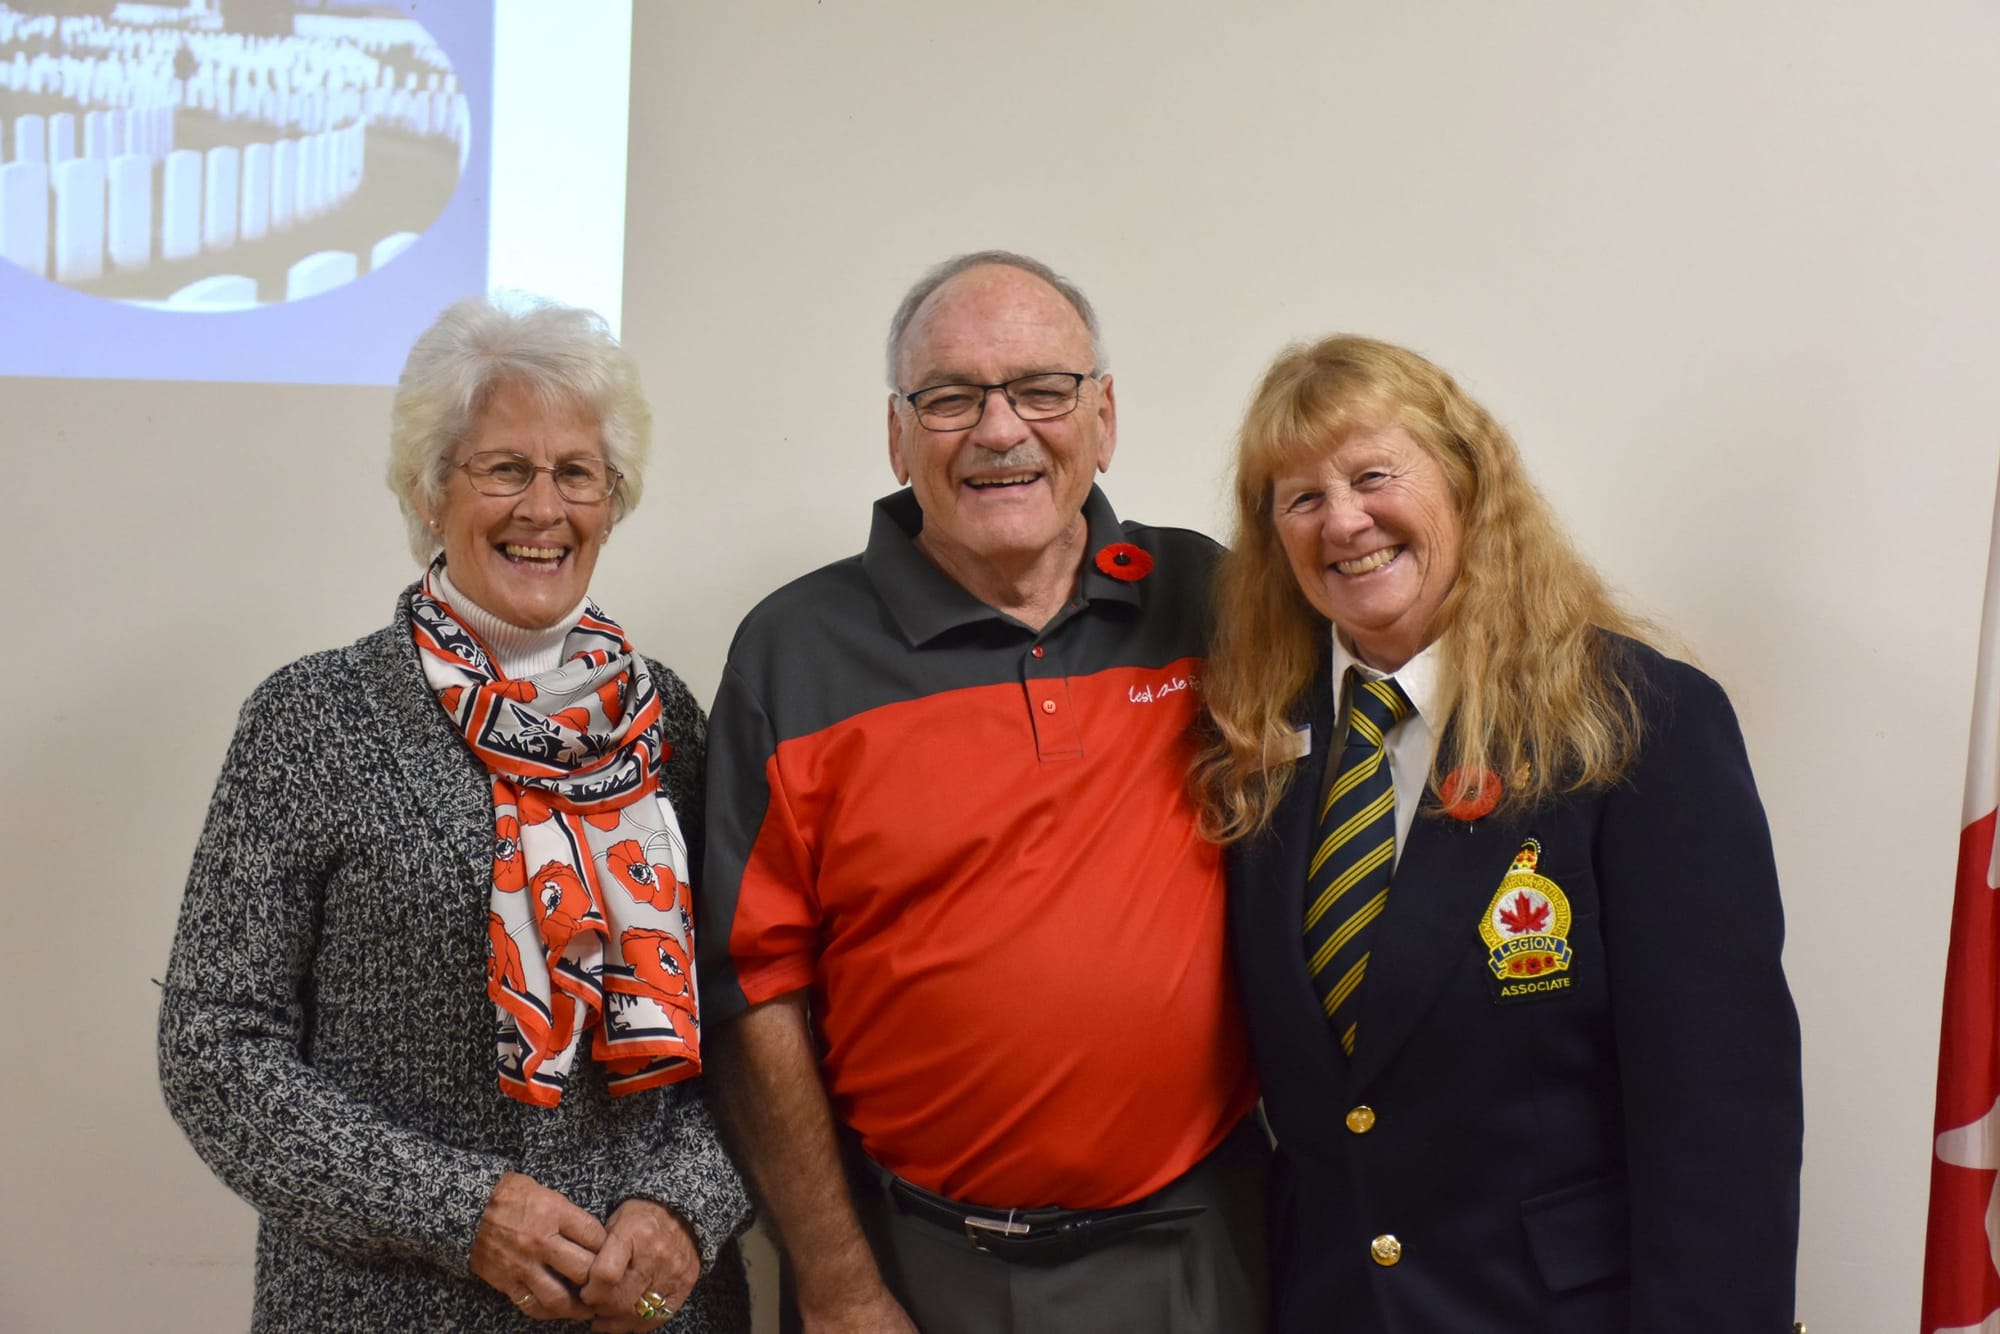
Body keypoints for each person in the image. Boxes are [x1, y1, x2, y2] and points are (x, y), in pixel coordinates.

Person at [698, 251, 1267, 1333]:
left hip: (1199, 1243)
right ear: (897, 434)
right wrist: (837, 1283)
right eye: (951, 398)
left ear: (1102, 417)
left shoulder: (1213, 598)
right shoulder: (793, 650)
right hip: (916, 1264)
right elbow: (750, 988)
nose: (1000, 430)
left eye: (1041, 389)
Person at [158, 296, 751, 1332]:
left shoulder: (670, 722)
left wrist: (688, 1209)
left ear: (612, 502)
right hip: (386, 1304)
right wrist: (462, 1210)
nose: (543, 507)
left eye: (576, 473)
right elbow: (215, 1046)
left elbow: (750, 1018)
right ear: (432, 494)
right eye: (504, 469)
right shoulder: (313, 717)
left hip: (647, 1310)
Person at [1193, 333, 1804, 1333]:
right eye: (1297, 497)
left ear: (1465, 483)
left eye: (1372, 474)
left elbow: (1718, 1119)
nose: (1342, 520)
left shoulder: (1636, 721)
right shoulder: (1253, 741)